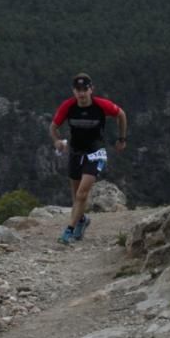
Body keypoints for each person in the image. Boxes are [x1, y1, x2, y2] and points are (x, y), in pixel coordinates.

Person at [49, 72, 127, 244]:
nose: (82, 93)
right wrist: (56, 141)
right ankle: (82, 220)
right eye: (78, 90)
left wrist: (122, 139)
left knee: (82, 194)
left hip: (95, 153)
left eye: (85, 89)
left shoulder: (101, 105)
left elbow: (121, 114)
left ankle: (68, 231)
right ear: (73, 91)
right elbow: (53, 127)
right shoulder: (68, 106)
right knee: (76, 195)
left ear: (92, 89)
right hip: (75, 153)